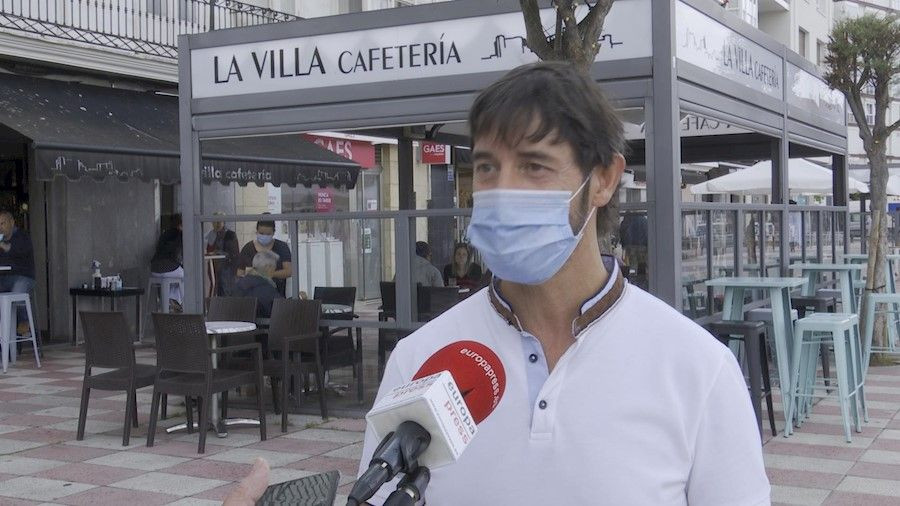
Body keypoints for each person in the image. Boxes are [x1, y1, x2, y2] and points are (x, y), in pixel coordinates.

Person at [224, 62, 769, 505]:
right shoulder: (420, 359)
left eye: (534, 166)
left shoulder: (698, 369)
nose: (502, 191)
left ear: (603, 179)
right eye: (487, 167)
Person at [238, 218, 293, 297]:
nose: (264, 236)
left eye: (268, 234)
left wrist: (269, 274)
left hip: (276, 294)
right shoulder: (248, 248)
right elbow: (240, 273)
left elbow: (289, 271)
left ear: (273, 233)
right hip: (251, 295)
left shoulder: (282, 247)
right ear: (256, 231)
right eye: (261, 233)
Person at [0, 211, 35, 336]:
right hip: (4, 277)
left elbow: (20, 251)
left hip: (23, 276)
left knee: (18, 289)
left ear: (12, 222)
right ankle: (4, 332)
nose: (0, 227)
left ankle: (24, 322)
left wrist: (5, 246)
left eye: (2, 223)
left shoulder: (22, 236)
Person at [150, 214, 184, 313]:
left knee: (175, 279)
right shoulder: (180, 235)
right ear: (181, 224)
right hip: (169, 267)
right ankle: (175, 300)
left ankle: (170, 300)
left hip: (154, 269)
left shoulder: (164, 234)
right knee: (188, 276)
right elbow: (178, 255)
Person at [232, 250, 282, 318]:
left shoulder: (238, 285)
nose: (274, 271)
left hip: (240, 323)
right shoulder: (266, 288)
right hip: (263, 323)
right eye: (274, 267)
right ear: (268, 267)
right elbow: (281, 310)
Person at [206, 212, 240, 296]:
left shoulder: (230, 234)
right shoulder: (211, 234)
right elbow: (208, 248)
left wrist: (217, 252)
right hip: (214, 266)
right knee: (215, 288)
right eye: (215, 222)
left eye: (219, 222)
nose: (217, 224)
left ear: (224, 222)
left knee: (226, 290)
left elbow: (234, 253)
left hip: (227, 268)